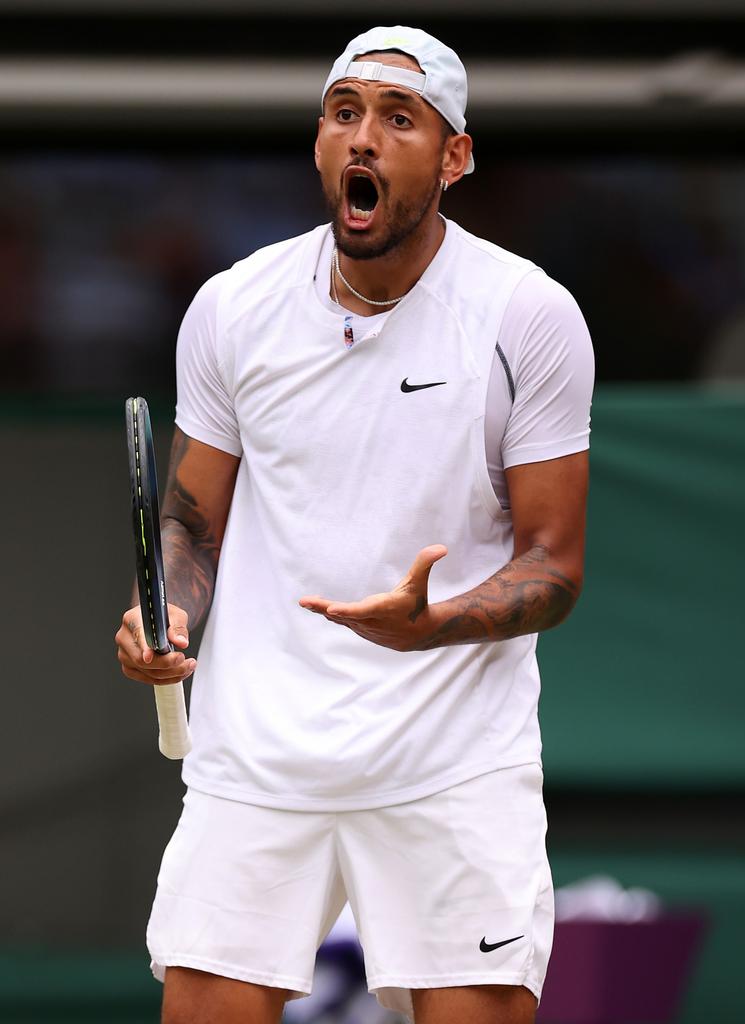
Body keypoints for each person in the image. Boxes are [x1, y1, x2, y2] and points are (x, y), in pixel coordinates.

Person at [115, 25, 594, 1024]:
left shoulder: (528, 317)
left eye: (398, 117)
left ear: (454, 156)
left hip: (451, 760)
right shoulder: (234, 308)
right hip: (258, 757)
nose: (363, 138)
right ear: (322, 144)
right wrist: (165, 616)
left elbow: (553, 565)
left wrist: (437, 623)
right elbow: (192, 528)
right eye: (344, 114)